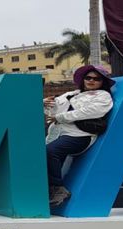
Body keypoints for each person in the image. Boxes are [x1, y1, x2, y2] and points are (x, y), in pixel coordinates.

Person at [44, 65, 115, 209]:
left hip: (80, 135)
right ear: (83, 79)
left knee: (51, 151)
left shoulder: (103, 96)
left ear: (102, 82)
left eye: (97, 79)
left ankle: (58, 188)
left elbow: (92, 111)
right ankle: (45, 191)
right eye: (88, 77)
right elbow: (52, 110)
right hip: (58, 133)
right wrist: (45, 103)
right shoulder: (70, 94)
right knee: (45, 153)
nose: (91, 81)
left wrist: (62, 117)